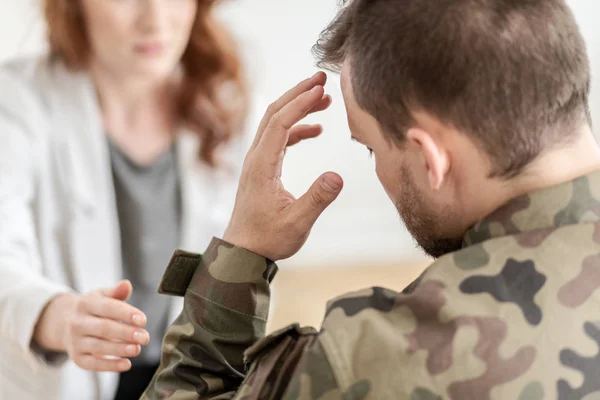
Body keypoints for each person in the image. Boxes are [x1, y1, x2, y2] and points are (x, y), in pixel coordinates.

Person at [142, 0, 600, 399]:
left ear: (429, 159)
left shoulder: (383, 357)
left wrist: (242, 252)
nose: (375, 167)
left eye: (370, 148)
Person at [0, 0, 274, 398]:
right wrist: (63, 318)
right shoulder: (15, 102)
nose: (155, 20)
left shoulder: (227, 102)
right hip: (59, 381)